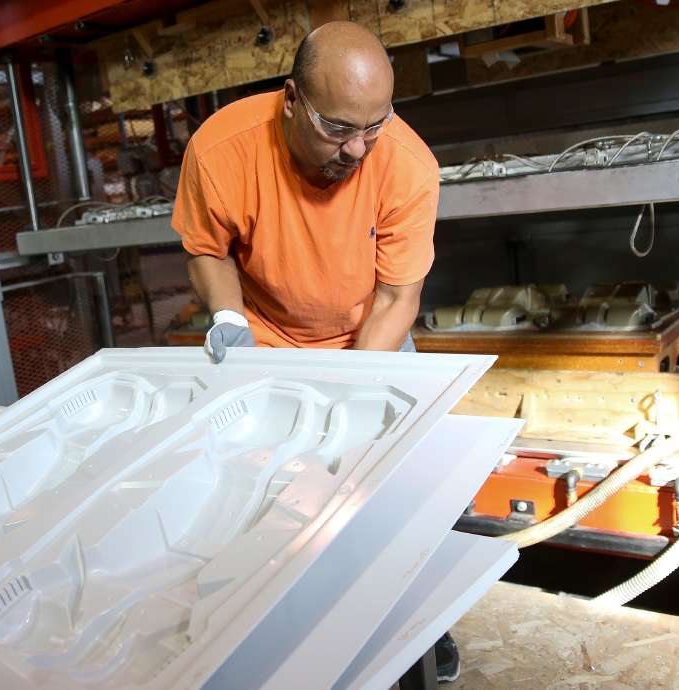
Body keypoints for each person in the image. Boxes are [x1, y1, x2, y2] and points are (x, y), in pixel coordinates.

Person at [171, 20, 459, 682]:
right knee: (259, 496)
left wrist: (346, 397)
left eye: (374, 126)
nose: (357, 148)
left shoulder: (408, 166)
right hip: (262, 336)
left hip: (371, 337)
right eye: (336, 129)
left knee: (405, 486)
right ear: (292, 99)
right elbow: (208, 252)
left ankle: (423, 626)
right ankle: (281, 635)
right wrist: (225, 317)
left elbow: (395, 301)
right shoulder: (221, 150)